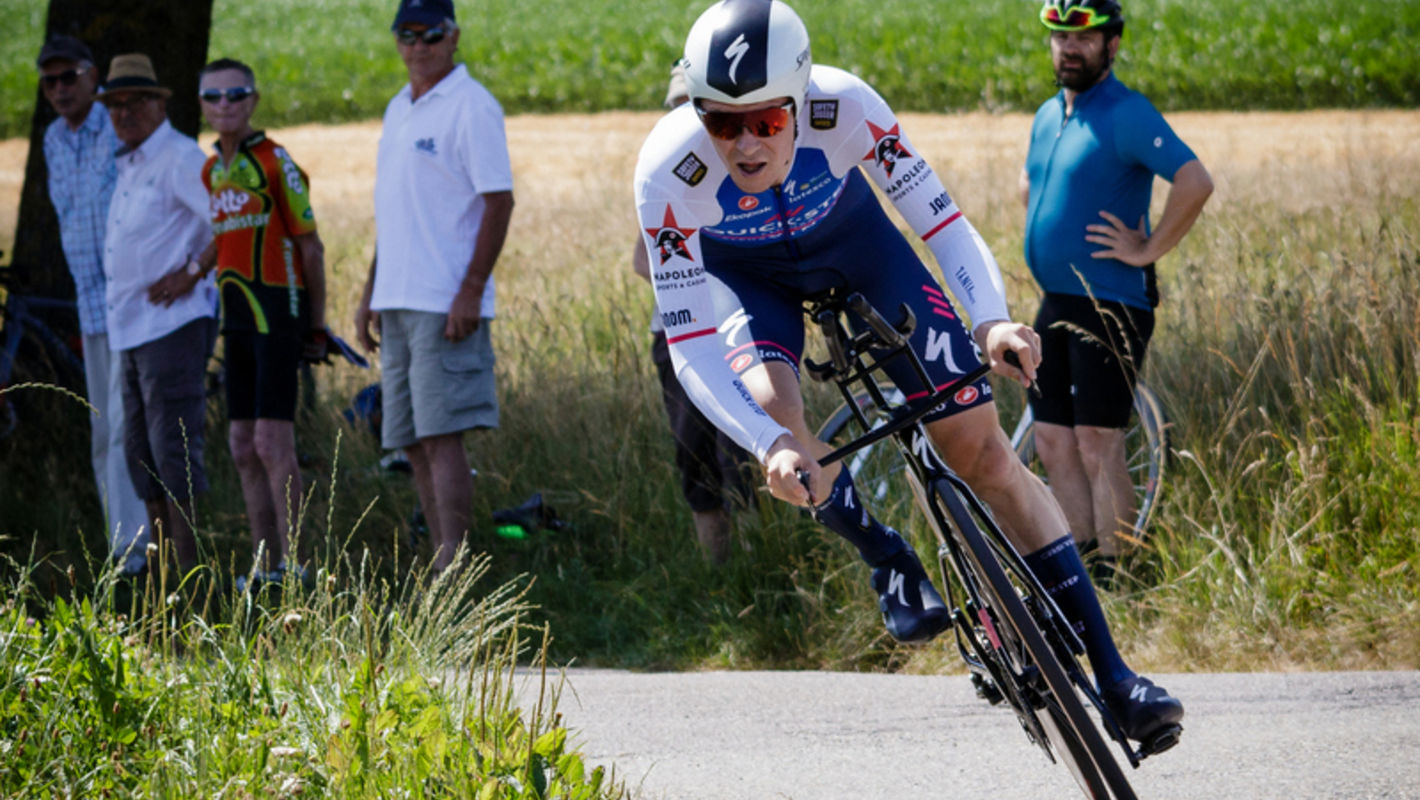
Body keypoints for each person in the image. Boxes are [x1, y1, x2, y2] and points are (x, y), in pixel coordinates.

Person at [634, 0, 1182, 747]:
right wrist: (766, 444)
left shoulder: (846, 106)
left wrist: (989, 321)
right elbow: (689, 335)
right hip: (747, 280)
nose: (742, 143)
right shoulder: (668, 172)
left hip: (858, 246)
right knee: (776, 409)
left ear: (800, 98)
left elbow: (938, 222)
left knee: (984, 453)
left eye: (764, 120)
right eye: (720, 120)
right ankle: (888, 557)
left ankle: (1117, 678)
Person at [1019, 0, 1213, 576]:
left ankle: (1122, 572)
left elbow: (1195, 181)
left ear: (1112, 45)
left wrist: (1147, 250)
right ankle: (1082, 572)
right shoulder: (1047, 114)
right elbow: (1034, 184)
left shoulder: (1128, 113)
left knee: (1097, 441)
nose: (1068, 48)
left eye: (1082, 38)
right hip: (1056, 299)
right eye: (1058, 38)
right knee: (1053, 441)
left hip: (1111, 300)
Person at [354, 0, 515, 574]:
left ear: (453, 36)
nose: (418, 46)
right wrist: (371, 291)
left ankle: (455, 567)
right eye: (407, 34)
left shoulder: (472, 106)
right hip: (397, 300)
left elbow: (499, 200)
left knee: (443, 436)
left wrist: (471, 288)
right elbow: (396, 211)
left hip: (444, 301)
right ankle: (438, 558)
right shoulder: (399, 107)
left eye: (430, 34)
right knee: (412, 440)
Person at [185, 57, 328, 585]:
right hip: (237, 315)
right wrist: (192, 270)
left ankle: (298, 566)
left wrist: (315, 325)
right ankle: (264, 567)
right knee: (241, 444)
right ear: (200, 103)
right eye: (213, 97)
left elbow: (310, 246)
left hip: (277, 308)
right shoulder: (210, 169)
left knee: (272, 442)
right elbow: (226, 236)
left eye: (236, 94)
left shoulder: (275, 161)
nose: (224, 105)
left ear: (253, 101)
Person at [632, 62, 756, 565]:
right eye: (678, 108)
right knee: (696, 460)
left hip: (741, 333)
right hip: (679, 335)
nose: (686, 120)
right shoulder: (662, 173)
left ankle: (760, 568)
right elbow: (643, 260)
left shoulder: (750, 165)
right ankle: (718, 578)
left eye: (696, 109)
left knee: (745, 458)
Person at [100, 53, 217, 574]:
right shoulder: (133, 160)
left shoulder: (179, 156)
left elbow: (229, 220)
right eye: (114, 104)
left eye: (134, 101)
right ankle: (162, 583)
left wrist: (192, 271)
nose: (123, 113)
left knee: (174, 455)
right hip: (131, 327)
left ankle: (189, 585)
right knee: (140, 456)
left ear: (159, 103)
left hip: (173, 325)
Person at [37, 35, 150, 576]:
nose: (60, 90)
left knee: (130, 427)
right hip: (88, 302)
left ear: (93, 75)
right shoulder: (54, 139)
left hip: (131, 300)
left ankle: (142, 553)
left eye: (69, 77)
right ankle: (120, 548)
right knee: (103, 433)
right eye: (49, 80)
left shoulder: (118, 122)